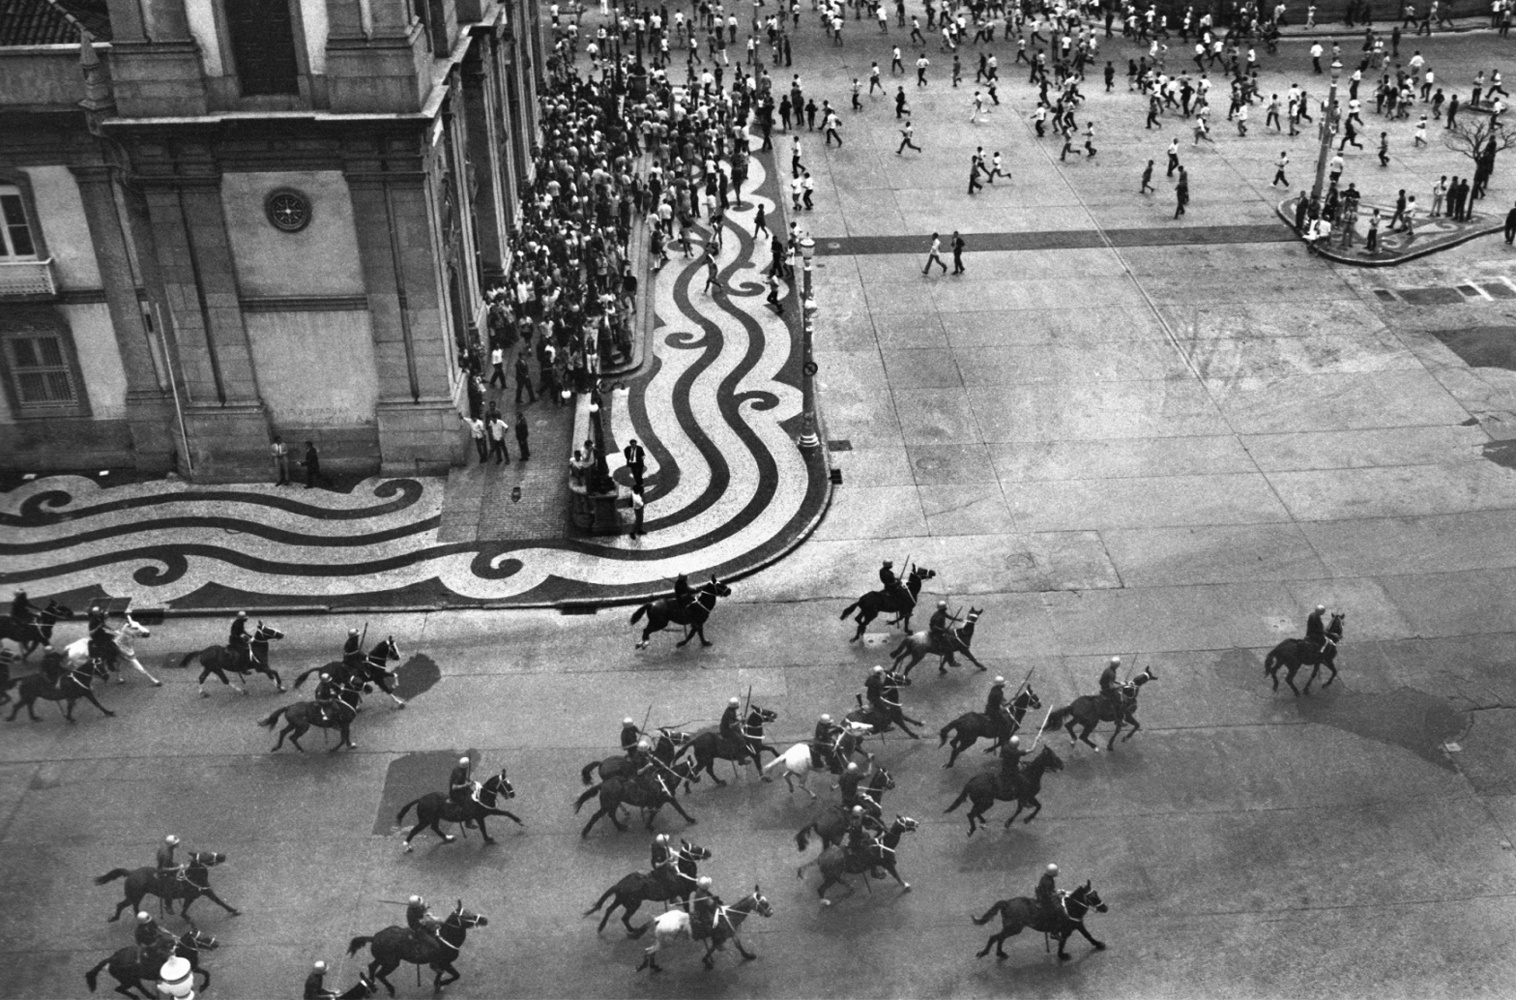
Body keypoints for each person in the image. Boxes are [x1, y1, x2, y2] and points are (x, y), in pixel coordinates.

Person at [450, 755, 482, 826]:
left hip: (462, 790)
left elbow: (464, 778)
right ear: (466, 766)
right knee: (469, 804)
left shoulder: (460, 769)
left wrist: (469, 780)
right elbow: (454, 787)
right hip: (456, 793)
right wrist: (466, 785)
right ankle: (468, 822)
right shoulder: (459, 774)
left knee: (473, 794)